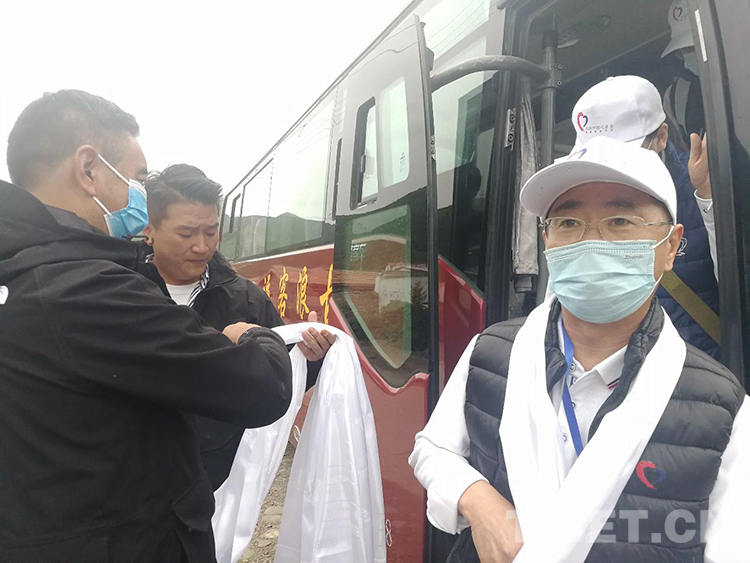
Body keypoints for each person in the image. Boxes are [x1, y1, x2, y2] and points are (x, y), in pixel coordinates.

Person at [409, 137, 748, 563]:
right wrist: (476, 499)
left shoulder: (721, 409)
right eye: (568, 223)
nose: (591, 242)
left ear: (670, 246)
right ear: (546, 240)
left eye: (620, 220)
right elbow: (432, 449)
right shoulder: (492, 353)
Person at [0, 90, 293, 563]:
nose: (139, 195)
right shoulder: (86, 289)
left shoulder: (19, 272)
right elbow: (262, 386)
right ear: (89, 169)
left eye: (210, 232)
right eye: (136, 178)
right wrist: (250, 337)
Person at [140, 163, 335, 490]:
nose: (202, 246)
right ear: (150, 231)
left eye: (211, 231)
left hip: (218, 484)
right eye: (186, 234)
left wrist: (311, 356)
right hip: (138, 481)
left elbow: (281, 379)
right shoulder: (121, 293)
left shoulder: (245, 299)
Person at [570, 75, 719, 357]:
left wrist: (708, 198)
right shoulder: (584, 199)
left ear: (661, 137)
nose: (611, 168)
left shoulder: (699, 184)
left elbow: (738, 284)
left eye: (625, 153)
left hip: (699, 361)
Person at [661, 0, 704, 149]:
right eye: (682, 51)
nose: (688, 55)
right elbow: (683, 150)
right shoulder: (674, 97)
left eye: (694, 47)